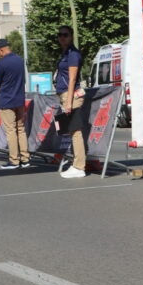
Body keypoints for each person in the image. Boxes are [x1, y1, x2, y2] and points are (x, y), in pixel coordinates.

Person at [0, 38, 31, 170]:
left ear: (1, 50)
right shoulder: (20, 60)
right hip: (20, 99)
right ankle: (25, 159)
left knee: (11, 131)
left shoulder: (2, 63)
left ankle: (14, 160)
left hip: (7, 100)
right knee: (21, 129)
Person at [55, 25, 88, 179]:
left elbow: (72, 79)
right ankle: (76, 164)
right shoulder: (65, 53)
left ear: (71, 36)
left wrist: (68, 102)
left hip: (72, 96)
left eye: (65, 35)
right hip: (66, 95)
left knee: (75, 132)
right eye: (60, 35)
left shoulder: (73, 54)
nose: (62, 37)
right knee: (71, 131)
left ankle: (79, 167)